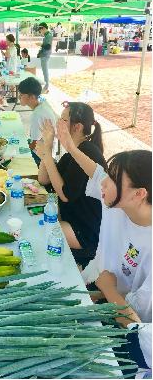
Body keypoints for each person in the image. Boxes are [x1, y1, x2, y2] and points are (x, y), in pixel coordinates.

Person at [57, 119, 152, 326]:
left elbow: (137, 324)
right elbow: (95, 171)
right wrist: (70, 147)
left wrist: (107, 290)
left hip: (120, 324)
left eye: (113, 179)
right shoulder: (120, 203)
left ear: (139, 194)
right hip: (95, 287)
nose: (104, 183)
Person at [37, 102, 107, 268]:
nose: (58, 123)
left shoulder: (86, 153)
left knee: (38, 233)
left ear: (77, 127)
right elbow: (44, 179)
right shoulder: (73, 152)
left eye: (63, 120)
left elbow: (64, 194)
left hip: (85, 231)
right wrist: (47, 146)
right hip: (69, 218)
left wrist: (46, 154)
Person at [18, 77, 58, 167]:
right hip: (48, 149)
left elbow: (34, 144)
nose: (19, 97)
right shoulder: (43, 104)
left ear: (31, 97)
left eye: (21, 95)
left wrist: (20, 150)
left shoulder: (37, 114)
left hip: (42, 157)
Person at [36, 22, 53, 94]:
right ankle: (46, 88)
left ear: (43, 28)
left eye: (40, 30)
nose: (40, 31)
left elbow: (48, 47)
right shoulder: (47, 35)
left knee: (45, 72)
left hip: (45, 55)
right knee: (44, 71)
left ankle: (46, 87)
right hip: (44, 55)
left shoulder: (48, 35)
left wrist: (41, 44)